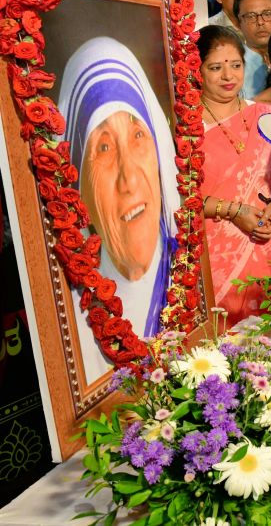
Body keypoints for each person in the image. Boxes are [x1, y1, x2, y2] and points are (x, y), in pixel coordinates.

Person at [58, 37, 178, 384]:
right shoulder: (70, 323)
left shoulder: (188, 270)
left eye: (138, 135)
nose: (129, 179)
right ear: (77, 179)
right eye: (104, 147)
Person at [197, 25, 271, 325]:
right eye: (216, 68)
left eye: (236, 65)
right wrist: (234, 211)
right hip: (216, 258)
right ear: (197, 70)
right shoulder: (185, 128)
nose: (228, 76)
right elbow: (176, 199)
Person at [233, 0, 271, 100]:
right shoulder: (233, 67)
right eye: (250, 16)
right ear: (238, 23)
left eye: (267, 14)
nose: (260, 22)